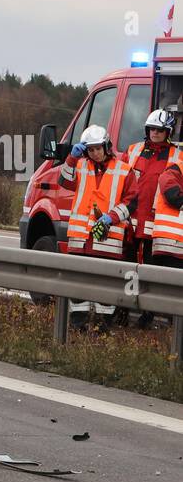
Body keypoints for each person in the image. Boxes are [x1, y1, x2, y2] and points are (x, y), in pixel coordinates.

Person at [58, 124, 132, 330]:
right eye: (90, 150)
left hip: (108, 240)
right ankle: (78, 325)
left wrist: (112, 217)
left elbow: (131, 201)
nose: (95, 153)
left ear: (106, 146)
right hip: (80, 239)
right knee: (78, 286)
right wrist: (71, 158)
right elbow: (64, 180)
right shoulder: (80, 166)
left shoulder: (124, 170)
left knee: (105, 287)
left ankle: (103, 327)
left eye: (98, 148)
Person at [115, 109, 179, 326]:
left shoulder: (176, 156)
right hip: (130, 224)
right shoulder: (133, 151)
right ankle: (123, 310)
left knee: (151, 273)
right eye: (152, 129)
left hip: (157, 226)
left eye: (160, 130)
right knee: (127, 270)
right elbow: (117, 179)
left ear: (168, 132)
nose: (155, 133)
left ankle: (149, 313)